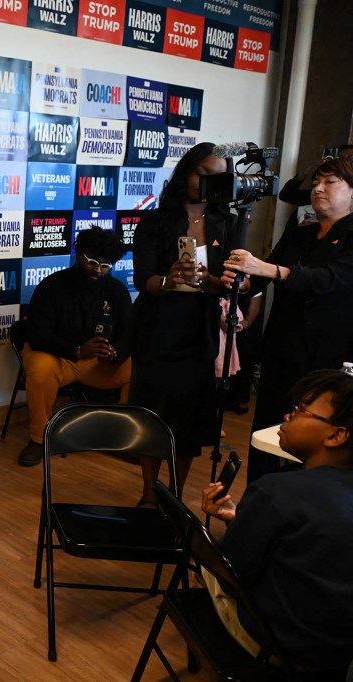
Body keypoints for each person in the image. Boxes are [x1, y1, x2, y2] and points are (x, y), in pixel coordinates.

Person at [201, 369, 353, 674]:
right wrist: (241, 520)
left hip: (282, 648)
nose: (288, 415)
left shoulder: (277, 490)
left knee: (204, 563)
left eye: (300, 411)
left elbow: (232, 573)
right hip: (339, 654)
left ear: (336, 435)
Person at [223, 156, 353, 482]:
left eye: (330, 183)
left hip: (327, 358)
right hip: (281, 349)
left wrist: (265, 269)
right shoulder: (300, 234)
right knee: (268, 432)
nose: (318, 189)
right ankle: (257, 506)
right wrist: (242, 278)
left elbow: (324, 280)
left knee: (311, 443)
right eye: (317, 183)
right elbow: (265, 276)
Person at [130, 142, 242, 506]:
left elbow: (228, 283)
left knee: (188, 423)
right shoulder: (155, 221)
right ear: (186, 172)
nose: (207, 182)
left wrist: (208, 280)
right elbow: (143, 279)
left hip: (199, 334)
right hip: (158, 331)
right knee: (152, 417)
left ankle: (175, 495)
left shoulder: (228, 223)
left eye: (217, 176)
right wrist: (168, 279)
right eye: (202, 173)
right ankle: (149, 492)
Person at [17, 227, 133, 466]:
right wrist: (77, 350)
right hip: (59, 357)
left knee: (139, 367)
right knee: (40, 369)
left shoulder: (116, 290)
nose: (97, 270)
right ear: (79, 254)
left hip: (96, 363)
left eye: (105, 266)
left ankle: (123, 437)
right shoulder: (52, 286)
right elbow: (38, 336)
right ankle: (39, 439)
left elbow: (130, 335)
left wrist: (115, 352)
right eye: (91, 262)